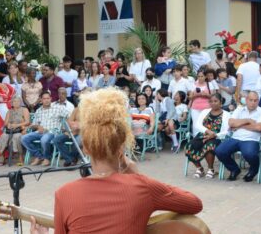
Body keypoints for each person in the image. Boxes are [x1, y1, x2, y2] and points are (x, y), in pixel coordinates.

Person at [31, 88, 202, 234]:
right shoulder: (143, 187)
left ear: (86, 148)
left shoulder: (64, 194)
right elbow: (195, 204)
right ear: (121, 147)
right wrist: (137, 175)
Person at [215, 91, 261, 182]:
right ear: (246, 100)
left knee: (249, 154)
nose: (253, 102)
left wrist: (239, 125)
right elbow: (231, 123)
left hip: (251, 139)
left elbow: (259, 127)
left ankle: (253, 170)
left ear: (258, 101)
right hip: (236, 137)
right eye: (251, 100)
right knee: (220, 151)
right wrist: (248, 120)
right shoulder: (239, 109)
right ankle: (234, 169)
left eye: (255, 100)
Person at [186, 94, 230, 179]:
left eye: (215, 101)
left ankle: (211, 169)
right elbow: (197, 124)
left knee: (209, 146)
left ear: (221, 103)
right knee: (189, 146)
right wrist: (208, 131)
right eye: (211, 101)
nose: (213, 103)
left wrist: (215, 134)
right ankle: (199, 168)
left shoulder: (227, 114)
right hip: (203, 135)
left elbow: (228, 130)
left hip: (217, 137)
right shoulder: (205, 111)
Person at [21, 92, 69, 166]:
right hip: (40, 132)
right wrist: (37, 127)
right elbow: (34, 124)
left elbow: (69, 116)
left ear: (51, 99)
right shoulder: (39, 111)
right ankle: (39, 156)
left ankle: (47, 158)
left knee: (44, 139)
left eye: (48, 98)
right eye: (44, 99)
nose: (46, 100)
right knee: (24, 138)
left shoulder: (58, 108)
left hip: (52, 132)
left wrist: (65, 128)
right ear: (41, 100)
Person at [0, 96, 29, 166]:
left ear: (20, 102)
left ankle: (20, 156)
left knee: (17, 137)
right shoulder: (9, 111)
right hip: (10, 130)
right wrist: (8, 124)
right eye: (14, 101)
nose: (16, 103)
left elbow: (27, 122)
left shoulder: (24, 110)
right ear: (11, 103)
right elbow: (5, 123)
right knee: (3, 136)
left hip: (20, 130)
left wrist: (17, 125)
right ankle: (1, 155)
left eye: (18, 101)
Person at [189, 69, 212, 135]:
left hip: (206, 108)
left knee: (205, 124)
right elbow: (190, 97)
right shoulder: (193, 84)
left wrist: (206, 95)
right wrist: (196, 95)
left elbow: (213, 96)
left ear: (205, 77)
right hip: (195, 108)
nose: (200, 78)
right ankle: (195, 139)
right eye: (199, 76)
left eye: (202, 76)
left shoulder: (209, 84)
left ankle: (205, 138)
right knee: (195, 124)